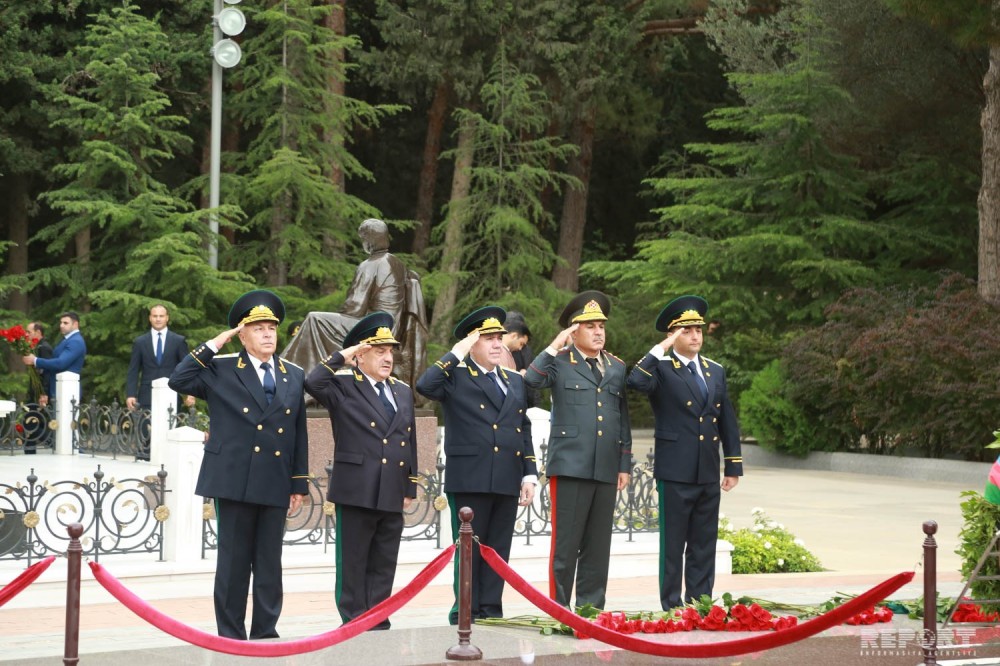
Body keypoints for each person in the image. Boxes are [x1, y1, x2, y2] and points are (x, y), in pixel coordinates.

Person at [168, 290, 309, 640]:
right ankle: (230, 635)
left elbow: (298, 432)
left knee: (268, 563)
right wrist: (213, 344)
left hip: (275, 481)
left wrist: (298, 482)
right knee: (233, 564)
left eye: (271, 328)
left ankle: (265, 632)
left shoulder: (292, 374)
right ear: (242, 335)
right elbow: (179, 379)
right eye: (258, 328)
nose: (267, 334)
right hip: (234, 478)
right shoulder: (222, 368)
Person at [416, 306, 537, 624]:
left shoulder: (514, 380)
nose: (497, 344)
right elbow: (424, 386)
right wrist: (455, 353)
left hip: (507, 476)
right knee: (470, 551)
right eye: (488, 339)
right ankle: (466, 611)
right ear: (472, 344)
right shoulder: (455, 375)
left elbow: (521, 427)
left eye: (499, 338)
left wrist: (529, 473)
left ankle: (491, 610)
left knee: (498, 551)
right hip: (471, 477)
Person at [625, 295, 742, 611]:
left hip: (706, 468)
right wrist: (660, 348)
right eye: (687, 331)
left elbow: (726, 418)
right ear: (673, 334)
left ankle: (700, 602)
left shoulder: (714, 370)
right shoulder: (661, 368)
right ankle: (672, 605)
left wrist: (733, 465)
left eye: (698, 331)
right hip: (675, 470)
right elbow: (634, 381)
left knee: (704, 544)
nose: (695, 337)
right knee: (673, 545)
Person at [304, 311, 418, 630]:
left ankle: (378, 616)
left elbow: (407, 439)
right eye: (379, 351)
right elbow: (313, 381)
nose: (387, 357)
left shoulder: (401, 391)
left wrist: (409, 485)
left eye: (390, 351)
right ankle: (353, 619)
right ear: (360, 356)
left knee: (384, 561)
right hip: (357, 487)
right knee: (353, 562)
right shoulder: (343, 388)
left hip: (392, 488)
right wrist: (342, 356)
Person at [524, 291, 632, 611]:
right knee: (566, 545)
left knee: (598, 545)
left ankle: (591, 608)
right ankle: (559, 609)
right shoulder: (558, 362)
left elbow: (620, 416)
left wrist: (624, 463)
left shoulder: (616, 366)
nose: (599, 331)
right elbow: (531, 379)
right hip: (570, 464)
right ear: (574, 331)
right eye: (590, 326)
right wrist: (555, 345)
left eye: (601, 326)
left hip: (606, 466)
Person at [125, 304, 195, 412]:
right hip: (146, 397)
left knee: (171, 429)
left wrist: (191, 393)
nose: (158, 319)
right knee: (147, 429)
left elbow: (186, 368)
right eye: (155, 316)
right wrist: (130, 394)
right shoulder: (140, 342)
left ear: (167, 318)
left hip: (172, 395)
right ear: (150, 318)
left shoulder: (178, 341)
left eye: (161, 316)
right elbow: (133, 370)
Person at [22, 311, 86, 404]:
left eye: (65, 323)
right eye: (61, 322)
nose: (61, 325)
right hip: (59, 389)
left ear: (75, 324)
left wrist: (35, 360)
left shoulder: (75, 341)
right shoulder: (67, 340)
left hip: (67, 390)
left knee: (65, 418)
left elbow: (60, 363)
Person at [23, 322, 54, 454]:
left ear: (38, 332)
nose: (27, 334)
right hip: (35, 388)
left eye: (29, 332)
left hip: (40, 390)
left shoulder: (44, 348)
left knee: (32, 418)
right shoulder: (36, 347)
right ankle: (30, 447)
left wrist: (43, 393)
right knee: (32, 418)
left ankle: (51, 441)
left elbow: (47, 371)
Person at [501, 312, 538, 408]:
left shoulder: (509, 352)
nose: (520, 348)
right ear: (513, 336)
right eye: (521, 343)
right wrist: (518, 377)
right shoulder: (498, 351)